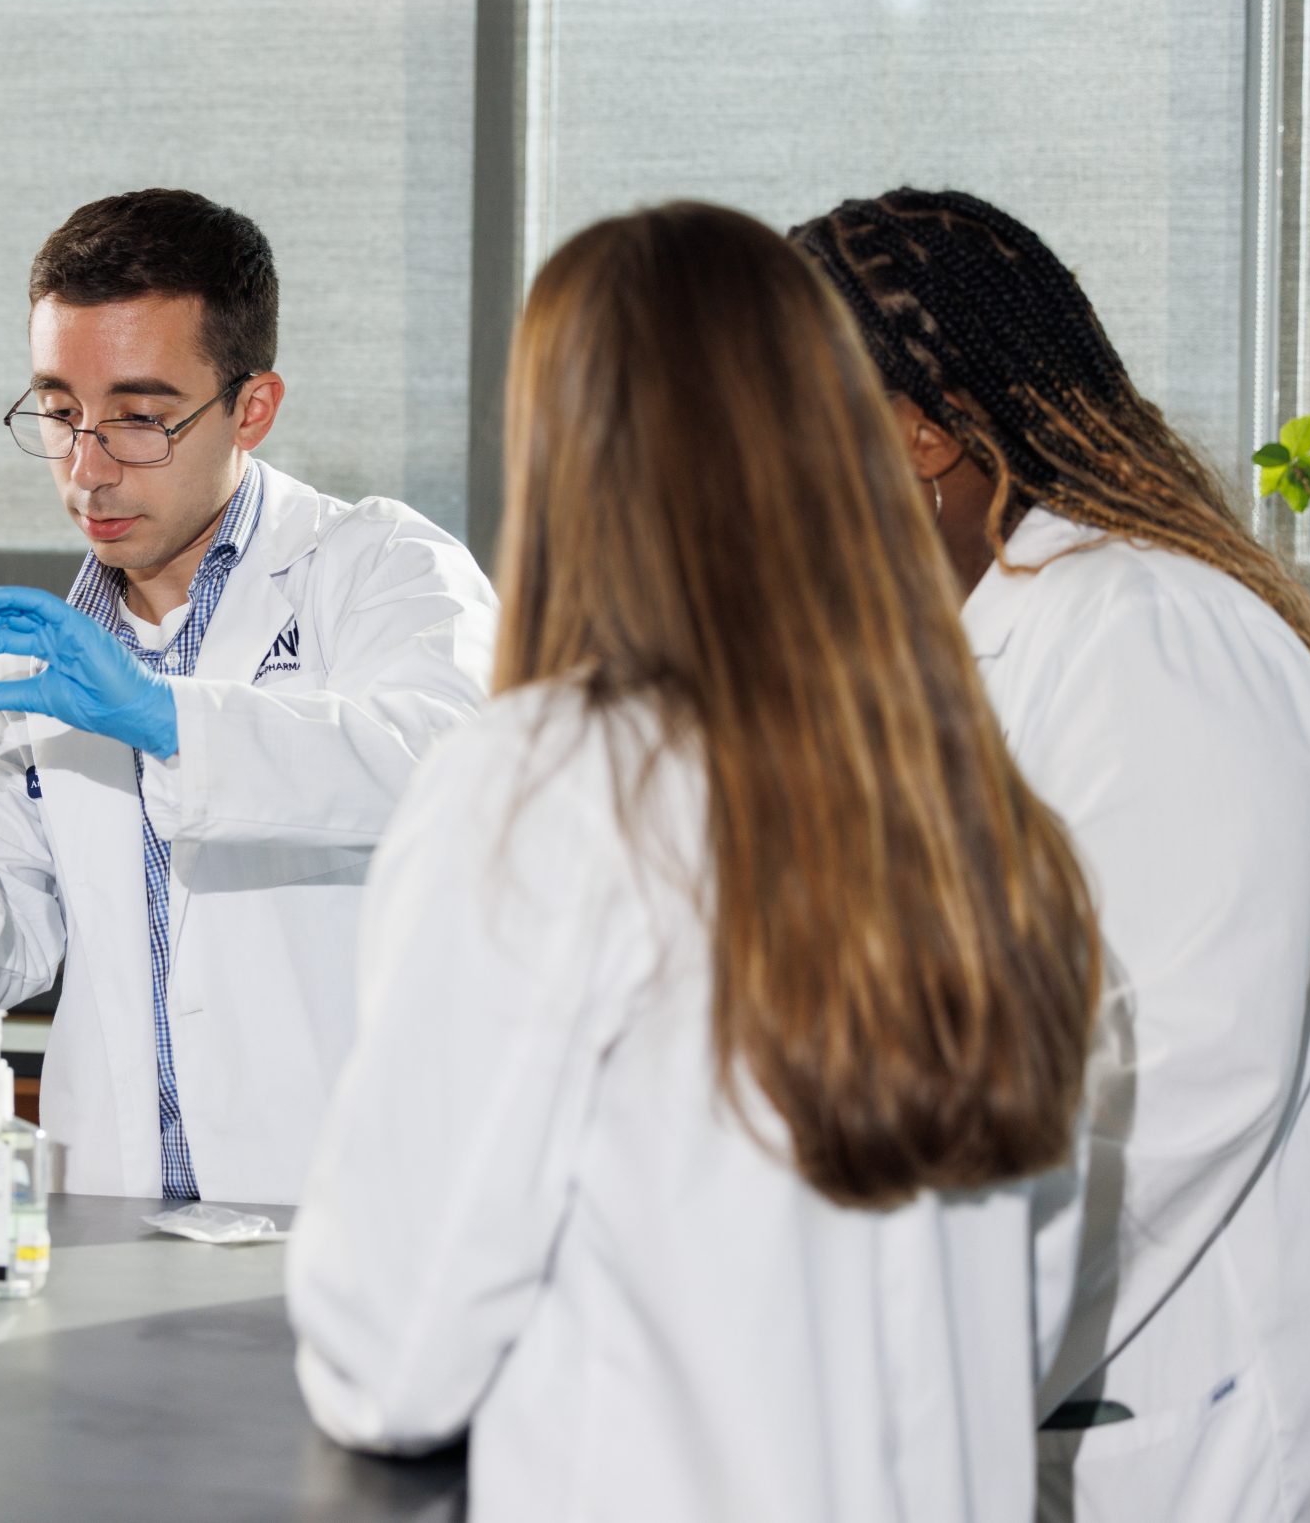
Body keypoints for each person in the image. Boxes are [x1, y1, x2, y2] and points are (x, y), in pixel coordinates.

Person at [286, 202, 1102, 1520]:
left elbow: (395, 1344)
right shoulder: (975, 801)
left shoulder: (553, 784)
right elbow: (1033, 1281)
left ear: (567, 452)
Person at [796, 188, 1310, 1521]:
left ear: (913, 437)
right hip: (1061, 1365)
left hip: (1200, 1383)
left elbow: (1177, 1078)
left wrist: (910, 1368)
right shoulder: (959, 643)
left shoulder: (1148, 626)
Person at [0, 189, 497, 1202]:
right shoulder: (33, 659)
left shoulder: (379, 567)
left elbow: (461, 771)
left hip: (353, 1213)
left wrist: (161, 717)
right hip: (114, 1216)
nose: (87, 468)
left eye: (138, 418)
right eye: (57, 411)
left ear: (252, 408)